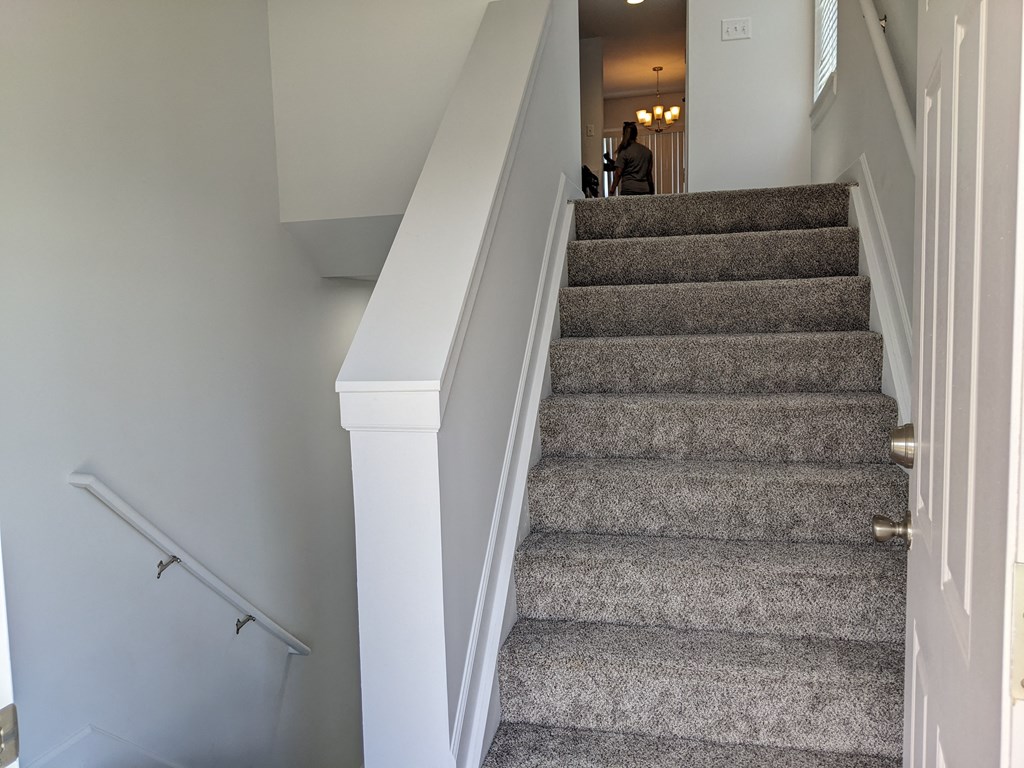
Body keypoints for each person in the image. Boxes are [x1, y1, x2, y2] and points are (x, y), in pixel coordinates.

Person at [609, 121, 654, 196]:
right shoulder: (647, 152)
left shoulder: (624, 151)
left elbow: (618, 173)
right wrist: (652, 191)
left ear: (624, 134)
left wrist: (611, 191)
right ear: (636, 134)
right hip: (644, 189)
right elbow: (649, 174)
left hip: (629, 190)